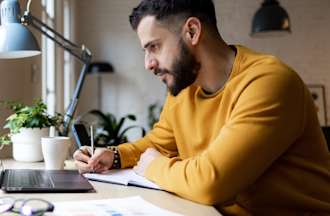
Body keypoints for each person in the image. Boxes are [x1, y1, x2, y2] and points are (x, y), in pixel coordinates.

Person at [73, 0, 330, 215]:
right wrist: (113, 155)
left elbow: (210, 182)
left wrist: (154, 166)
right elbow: (159, 144)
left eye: (154, 46)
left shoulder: (269, 82)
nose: (148, 64)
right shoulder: (185, 87)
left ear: (192, 32)